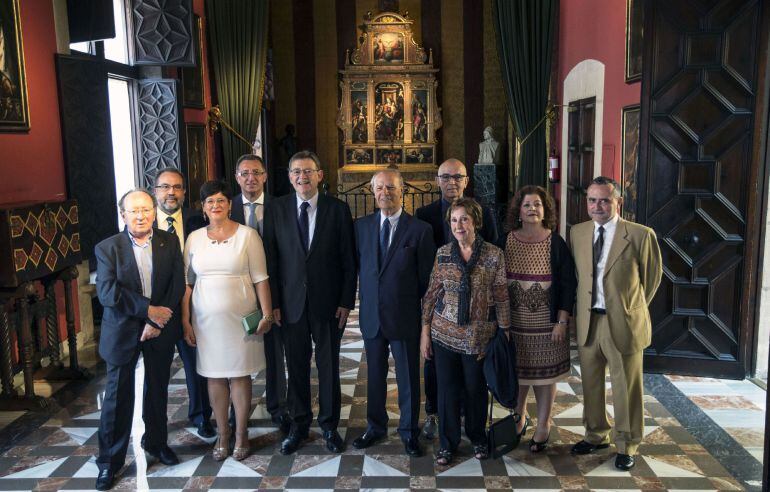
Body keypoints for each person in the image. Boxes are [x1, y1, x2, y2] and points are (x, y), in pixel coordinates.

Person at [263, 150, 357, 455]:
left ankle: (330, 426)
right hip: (290, 304)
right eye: (296, 172)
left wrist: (346, 300)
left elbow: (348, 260)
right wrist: (274, 303)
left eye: (308, 171)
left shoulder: (338, 209)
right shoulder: (276, 209)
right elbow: (272, 260)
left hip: (328, 304)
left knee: (329, 367)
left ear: (320, 175)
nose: (302, 177)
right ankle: (299, 425)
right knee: (298, 366)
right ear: (290, 177)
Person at [569, 176, 662, 471]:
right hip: (588, 320)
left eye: (605, 200)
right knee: (591, 383)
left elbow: (651, 280)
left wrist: (627, 308)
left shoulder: (640, 235)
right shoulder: (578, 233)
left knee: (626, 387)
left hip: (622, 322)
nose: (598, 206)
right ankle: (596, 434)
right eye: (592, 200)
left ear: (618, 202)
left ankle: (627, 443)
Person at [94, 189, 185, 491]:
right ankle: (109, 462)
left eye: (146, 209)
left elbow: (176, 285)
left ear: (154, 211)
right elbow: (108, 294)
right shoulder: (108, 248)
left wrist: (159, 320)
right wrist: (148, 312)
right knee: (118, 398)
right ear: (123, 214)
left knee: (157, 390)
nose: (141, 215)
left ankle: (157, 444)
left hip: (159, 329)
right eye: (134, 211)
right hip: (122, 332)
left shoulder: (168, 241)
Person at [181, 180, 274, 462]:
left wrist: (267, 314)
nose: (216, 206)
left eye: (221, 200)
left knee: (240, 375)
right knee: (214, 376)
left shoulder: (248, 236)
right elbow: (187, 283)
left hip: (240, 319)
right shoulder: (194, 238)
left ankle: (242, 433)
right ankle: (223, 434)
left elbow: (261, 279)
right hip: (206, 321)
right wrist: (185, 320)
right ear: (203, 207)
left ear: (229, 204)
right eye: (210, 202)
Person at [420, 197, 510, 466]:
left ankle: (477, 437)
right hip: (444, 335)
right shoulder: (443, 253)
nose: (459, 225)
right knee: (447, 391)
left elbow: (502, 296)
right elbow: (430, 295)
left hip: (478, 337)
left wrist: (505, 332)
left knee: (474, 389)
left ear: (476, 222)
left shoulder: (494, 255)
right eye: (454, 220)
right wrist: (425, 332)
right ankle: (448, 444)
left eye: (464, 219)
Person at [352, 169, 435, 457]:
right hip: (372, 317)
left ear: (402, 191)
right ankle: (375, 427)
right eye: (379, 188)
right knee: (373, 375)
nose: (384, 193)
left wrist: (426, 323)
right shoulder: (361, 227)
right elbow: (358, 270)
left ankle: (409, 432)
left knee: (408, 377)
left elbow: (427, 282)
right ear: (372, 191)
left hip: (405, 318)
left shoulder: (420, 230)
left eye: (391, 187)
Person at [415, 158, 498, 439]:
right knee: (434, 366)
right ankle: (434, 414)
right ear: (438, 181)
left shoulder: (484, 212)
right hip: (439, 309)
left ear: (466, 181)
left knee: (473, 373)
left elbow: (496, 254)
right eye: (446, 177)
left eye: (457, 177)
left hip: (476, 315)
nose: (451, 182)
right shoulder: (423, 214)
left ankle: (468, 419)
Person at [501, 186, 576, 452]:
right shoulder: (506, 240)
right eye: (527, 205)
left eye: (538, 205)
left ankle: (543, 426)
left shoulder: (556, 242)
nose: (533, 209)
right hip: (515, 325)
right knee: (518, 376)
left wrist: (562, 321)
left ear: (545, 211)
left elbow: (568, 284)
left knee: (546, 378)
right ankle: (519, 418)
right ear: (518, 211)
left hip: (548, 326)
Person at [151, 167, 214, 439]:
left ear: (185, 192)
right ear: (156, 191)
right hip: (158, 310)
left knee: (196, 365)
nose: (171, 192)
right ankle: (155, 427)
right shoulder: (143, 221)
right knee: (156, 373)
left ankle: (202, 416)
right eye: (165, 187)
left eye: (177, 187)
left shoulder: (197, 220)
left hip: (194, 304)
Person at [230, 154, 291, 434]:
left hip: (274, 294)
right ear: (237, 177)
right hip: (235, 297)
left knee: (274, 354)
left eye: (256, 172)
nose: (250, 178)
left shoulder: (282, 207)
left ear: (265, 176)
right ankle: (236, 411)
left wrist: (275, 300)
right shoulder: (225, 207)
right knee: (234, 355)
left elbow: (284, 258)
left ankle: (277, 406)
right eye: (245, 173)